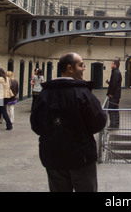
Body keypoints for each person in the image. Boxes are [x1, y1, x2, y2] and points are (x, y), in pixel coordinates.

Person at [30, 52, 107, 192]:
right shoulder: (82, 93)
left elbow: (35, 125)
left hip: (52, 157)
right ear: (70, 68)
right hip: (81, 158)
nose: (83, 68)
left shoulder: (45, 94)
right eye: (81, 65)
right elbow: (99, 122)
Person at [106, 59, 122, 129]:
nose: (111, 65)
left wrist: (111, 93)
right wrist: (109, 82)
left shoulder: (115, 73)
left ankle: (113, 124)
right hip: (116, 95)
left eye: (112, 64)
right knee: (115, 109)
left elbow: (114, 84)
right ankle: (116, 124)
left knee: (111, 109)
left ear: (115, 65)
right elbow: (114, 83)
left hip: (114, 95)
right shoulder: (116, 72)